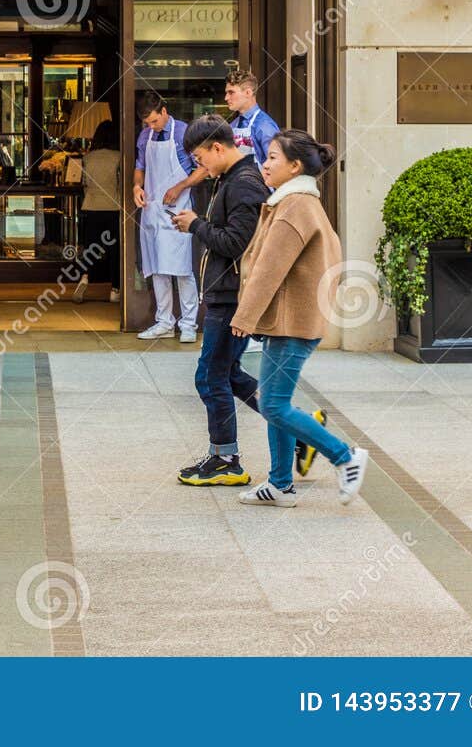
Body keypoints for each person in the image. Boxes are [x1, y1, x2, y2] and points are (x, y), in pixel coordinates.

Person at [230, 129, 370, 508]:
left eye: (273, 157)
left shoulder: (295, 206)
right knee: (275, 400)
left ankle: (345, 457)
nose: (265, 162)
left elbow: (269, 269)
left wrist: (245, 316)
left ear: (294, 166)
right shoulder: (297, 203)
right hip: (289, 321)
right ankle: (279, 484)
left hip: (293, 323)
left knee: (274, 405)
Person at [170, 114, 268, 486]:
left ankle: (226, 457)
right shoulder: (230, 179)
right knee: (228, 374)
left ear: (217, 147)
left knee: (211, 377)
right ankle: (297, 434)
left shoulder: (243, 184)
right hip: (227, 294)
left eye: (199, 159)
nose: (200, 166)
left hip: (231, 299)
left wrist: (195, 224)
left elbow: (235, 243)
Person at [133, 91, 205, 342]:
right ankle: (164, 321)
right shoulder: (145, 136)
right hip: (152, 209)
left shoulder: (184, 133)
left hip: (179, 209)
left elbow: (203, 169)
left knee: (183, 268)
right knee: (158, 268)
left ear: (164, 111)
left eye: (154, 121)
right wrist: (137, 187)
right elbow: (140, 166)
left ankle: (188, 324)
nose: (151, 126)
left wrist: (180, 186)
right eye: (147, 123)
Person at [74, 118, 122, 304]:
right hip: (113, 208)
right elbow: (120, 184)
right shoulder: (119, 157)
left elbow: (84, 184)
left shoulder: (88, 158)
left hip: (91, 207)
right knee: (115, 251)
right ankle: (115, 289)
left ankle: (84, 277)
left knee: (90, 248)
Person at [225, 68, 280, 166]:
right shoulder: (233, 125)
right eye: (226, 93)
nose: (226, 98)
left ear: (248, 93)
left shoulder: (265, 125)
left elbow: (276, 165)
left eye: (231, 92)